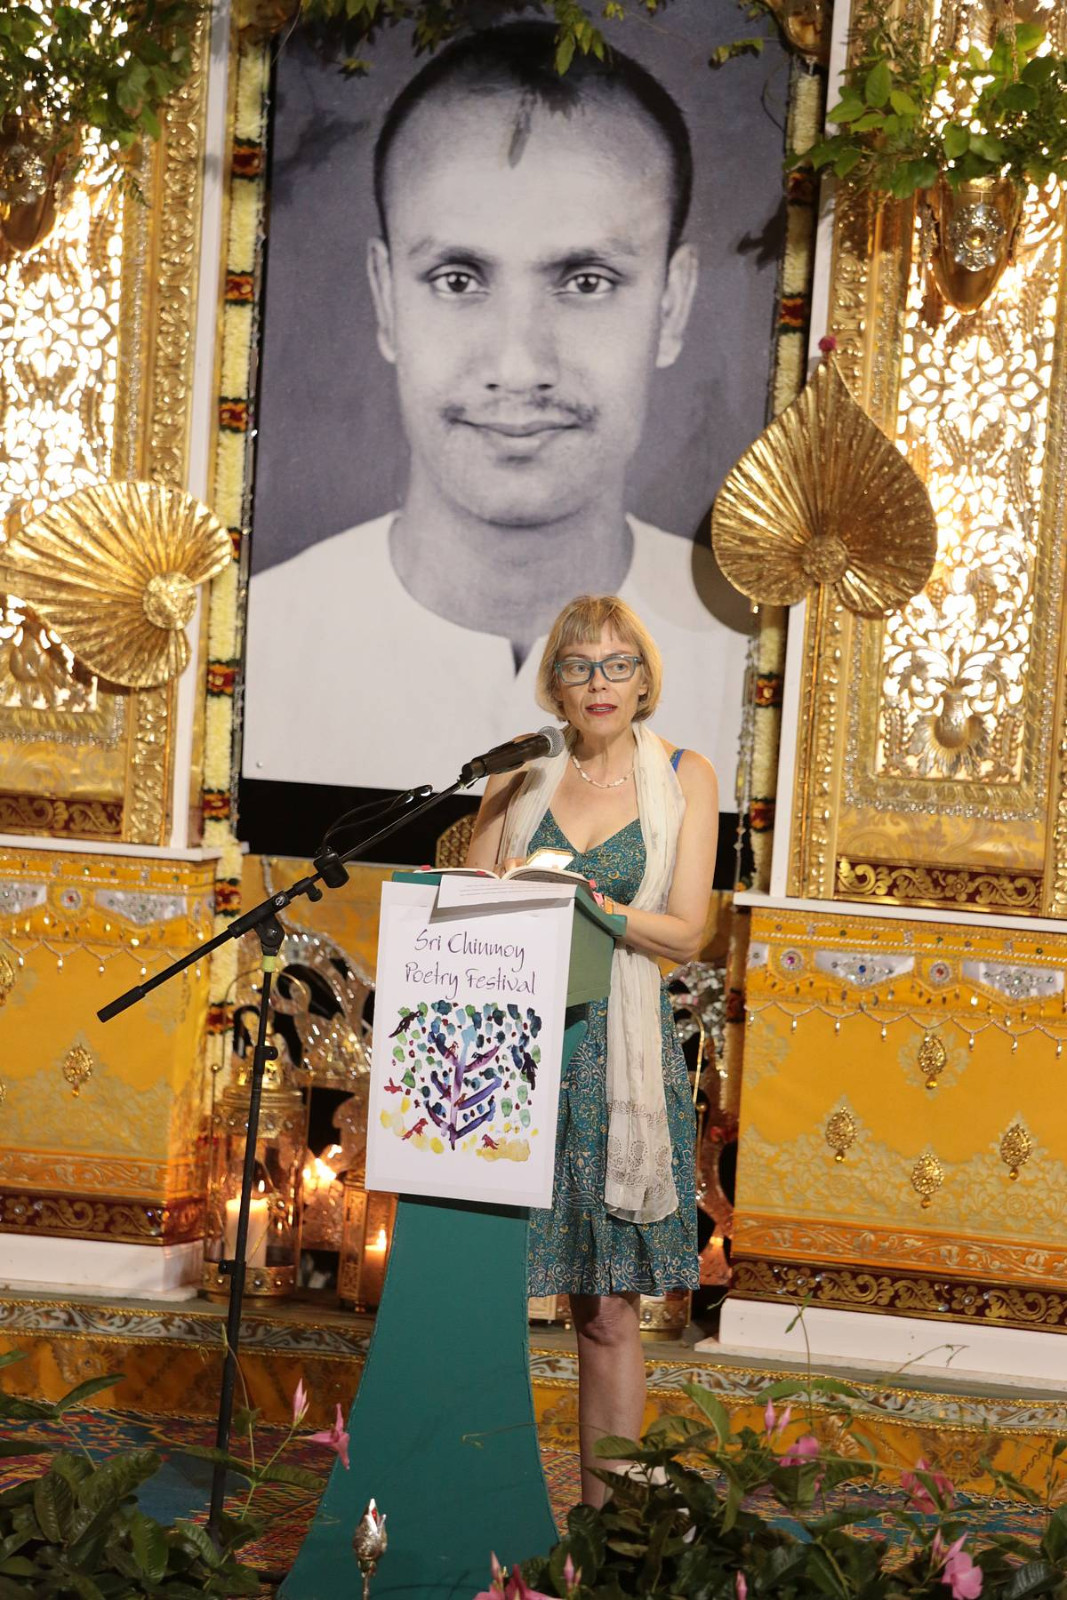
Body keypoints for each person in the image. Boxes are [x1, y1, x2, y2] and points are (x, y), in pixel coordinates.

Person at [242, 21, 750, 792]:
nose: (518, 366)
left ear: (671, 305)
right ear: (386, 298)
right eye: (457, 279)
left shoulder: (753, 671)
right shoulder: (255, 649)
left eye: (585, 281)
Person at [465, 593, 718, 1507]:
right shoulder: (518, 776)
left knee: (606, 1314)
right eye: (578, 666)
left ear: (644, 680)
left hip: (617, 1061)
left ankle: (605, 1532)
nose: (598, 682)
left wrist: (592, 907)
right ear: (555, 686)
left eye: (617, 664)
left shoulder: (684, 775)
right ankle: (478, 1512)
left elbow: (687, 932)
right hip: (511, 1058)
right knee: (478, 1302)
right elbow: (468, 904)